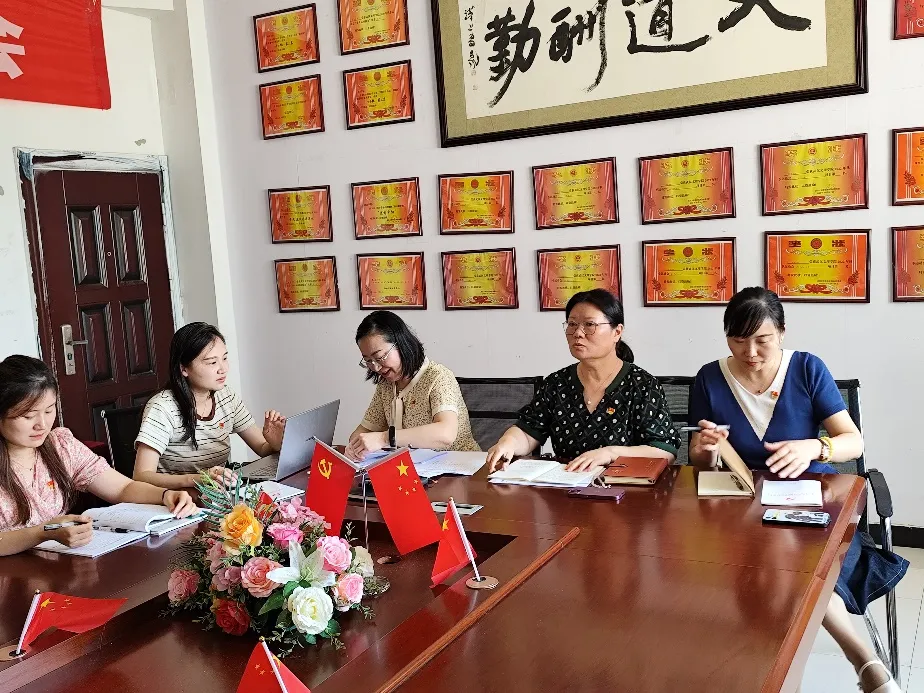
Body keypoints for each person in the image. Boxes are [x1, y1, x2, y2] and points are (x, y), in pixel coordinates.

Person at [688, 287, 907, 693]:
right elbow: (700, 461)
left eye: (763, 340)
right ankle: (864, 663)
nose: (750, 352)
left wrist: (814, 447)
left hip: (811, 499)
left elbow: (853, 442)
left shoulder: (806, 368)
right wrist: (705, 450)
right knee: (770, 562)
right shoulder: (710, 377)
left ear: (782, 333)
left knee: (792, 564)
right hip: (743, 507)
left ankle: (856, 658)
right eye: (738, 340)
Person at [0, 355, 196, 556]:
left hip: (53, 563)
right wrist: (43, 533)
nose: (42, 424)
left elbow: (122, 488)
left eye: (49, 411)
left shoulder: (61, 446)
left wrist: (164, 495)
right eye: (28, 416)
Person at [486, 289, 681, 473]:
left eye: (589, 325)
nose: (578, 333)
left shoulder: (642, 385)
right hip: (566, 483)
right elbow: (529, 432)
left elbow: (665, 451)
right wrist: (509, 442)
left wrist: (611, 453)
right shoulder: (556, 383)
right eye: (572, 324)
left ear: (617, 332)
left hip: (624, 487)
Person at [133, 323, 285, 489]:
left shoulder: (226, 397)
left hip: (219, 494)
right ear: (184, 369)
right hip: (178, 498)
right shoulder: (162, 407)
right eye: (212, 362)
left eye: (225, 358)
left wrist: (275, 443)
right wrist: (199, 479)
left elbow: (263, 449)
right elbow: (141, 476)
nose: (223, 369)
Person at [346, 311, 479, 460]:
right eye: (368, 361)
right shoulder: (386, 385)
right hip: (415, 468)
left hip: (460, 466)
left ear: (401, 344)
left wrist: (384, 438)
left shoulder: (438, 377)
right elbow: (364, 430)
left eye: (380, 357)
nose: (376, 367)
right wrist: (354, 447)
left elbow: (445, 434)